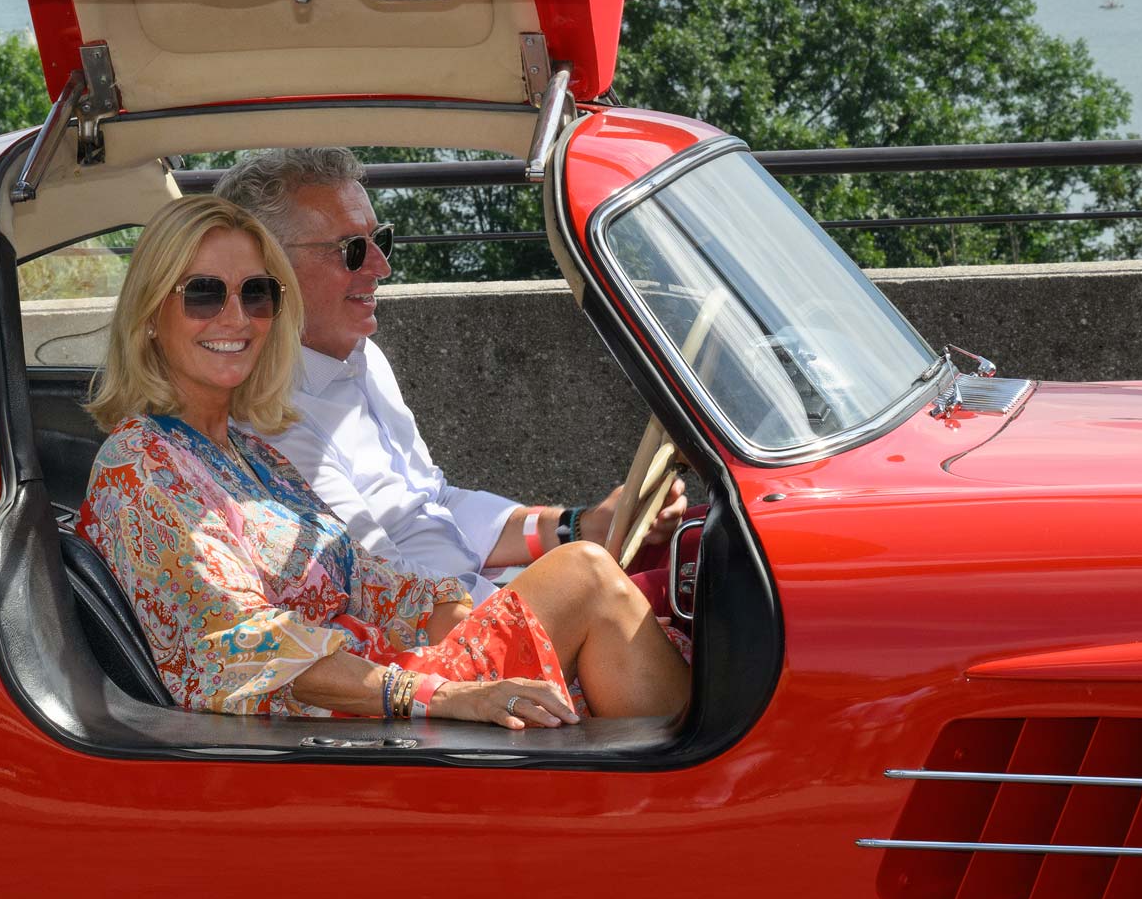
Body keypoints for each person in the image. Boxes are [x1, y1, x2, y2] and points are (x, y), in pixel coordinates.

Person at [75, 194, 690, 726]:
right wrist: (446, 693)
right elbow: (247, 649)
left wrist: (455, 613)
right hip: (336, 726)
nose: (236, 318)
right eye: (204, 294)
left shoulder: (255, 456)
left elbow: (366, 578)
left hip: (383, 690)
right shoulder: (141, 465)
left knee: (641, 598)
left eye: (257, 294)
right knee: (585, 576)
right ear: (152, 313)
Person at [215, 146, 685, 601]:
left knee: (691, 548)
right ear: (267, 269)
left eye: (381, 240)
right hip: (437, 641)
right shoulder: (268, 415)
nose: (382, 266)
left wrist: (576, 526)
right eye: (351, 250)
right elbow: (386, 587)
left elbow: (431, 501)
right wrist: (556, 595)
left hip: (463, 600)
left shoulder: (362, 357)